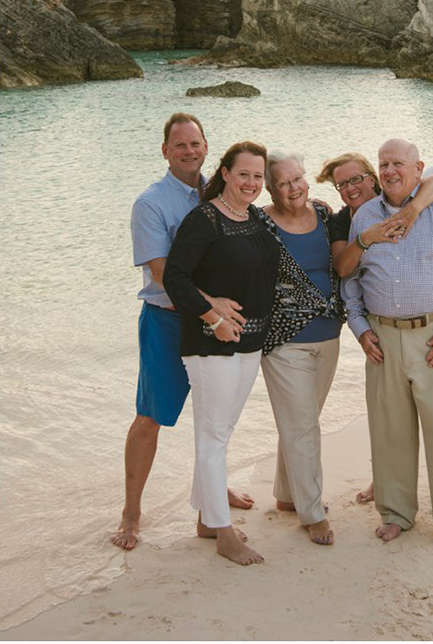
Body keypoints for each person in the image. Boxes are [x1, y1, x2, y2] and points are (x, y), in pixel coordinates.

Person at [109, 113, 251, 550]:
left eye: (196, 143)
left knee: (216, 417)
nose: (189, 151)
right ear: (165, 151)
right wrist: (210, 305)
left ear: (208, 147)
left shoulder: (222, 190)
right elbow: (161, 272)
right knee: (151, 417)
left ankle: (212, 494)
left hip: (220, 324)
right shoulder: (150, 204)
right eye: (180, 145)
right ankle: (131, 513)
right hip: (169, 322)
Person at [344, 138, 433, 554]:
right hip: (381, 338)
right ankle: (395, 514)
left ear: (418, 168)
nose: (390, 172)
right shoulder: (364, 216)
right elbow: (350, 279)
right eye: (383, 165)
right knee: (390, 433)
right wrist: (359, 326)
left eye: (398, 164)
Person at [161, 141, 285, 566]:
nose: (252, 182)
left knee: (220, 431)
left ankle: (205, 517)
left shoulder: (253, 217)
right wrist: (211, 314)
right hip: (210, 344)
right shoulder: (205, 218)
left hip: (250, 342)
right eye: (244, 174)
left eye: (258, 176)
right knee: (214, 436)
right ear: (226, 173)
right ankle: (223, 532)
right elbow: (174, 278)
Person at [254, 151, 343, 544]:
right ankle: (312, 512)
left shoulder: (324, 215)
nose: (294, 188)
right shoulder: (258, 223)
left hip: (329, 335)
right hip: (283, 341)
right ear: (270, 189)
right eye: (284, 183)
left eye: (298, 179)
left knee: (300, 422)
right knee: (302, 424)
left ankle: (288, 495)